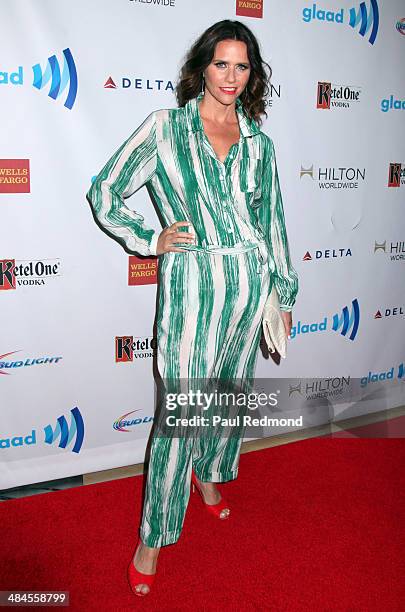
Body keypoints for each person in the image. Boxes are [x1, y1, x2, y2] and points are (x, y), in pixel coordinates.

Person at [86, 19, 298, 596]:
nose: (231, 76)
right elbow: (104, 190)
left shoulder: (259, 142)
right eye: (221, 63)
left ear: (252, 74)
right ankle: (153, 535)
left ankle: (209, 479)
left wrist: (280, 292)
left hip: (248, 287)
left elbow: (272, 223)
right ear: (202, 66)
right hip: (192, 287)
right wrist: (147, 238)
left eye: (242, 66)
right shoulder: (165, 128)